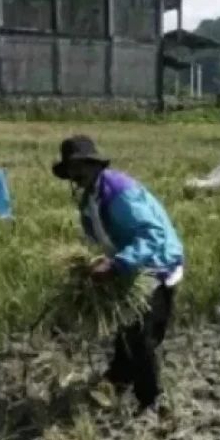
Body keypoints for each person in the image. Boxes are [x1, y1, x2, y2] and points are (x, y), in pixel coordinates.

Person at [52, 135, 184, 415]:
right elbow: (105, 235)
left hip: (157, 264)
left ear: (94, 164)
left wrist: (116, 265)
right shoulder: (90, 196)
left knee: (141, 336)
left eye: (81, 167)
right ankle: (118, 377)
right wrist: (100, 261)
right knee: (125, 324)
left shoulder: (119, 191)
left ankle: (150, 399)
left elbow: (152, 235)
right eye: (71, 170)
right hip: (130, 264)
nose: (76, 175)